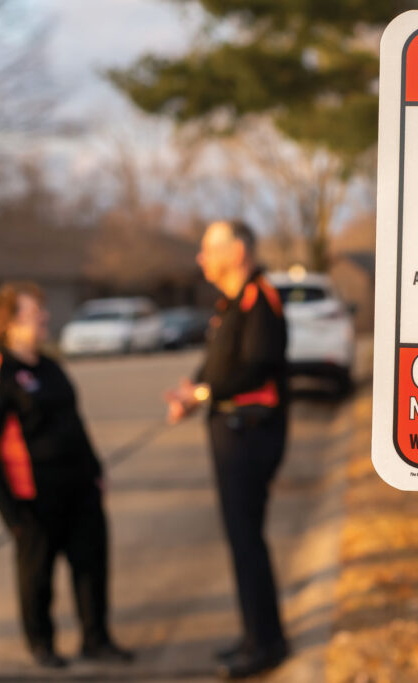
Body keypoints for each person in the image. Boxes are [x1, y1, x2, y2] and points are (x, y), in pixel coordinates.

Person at [0, 282, 132, 669]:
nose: (44, 319)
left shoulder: (50, 365)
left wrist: (96, 472)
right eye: (34, 314)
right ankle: (42, 644)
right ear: (8, 323)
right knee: (37, 576)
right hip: (33, 497)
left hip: (79, 488)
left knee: (91, 566)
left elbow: (75, 422)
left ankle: (97, 638)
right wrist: (11, 514)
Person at [164, 220, 290, 679]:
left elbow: (256, 366)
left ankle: (267, 645)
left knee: (247, 539)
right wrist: (193, 393)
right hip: (231, 431)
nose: (201, 259)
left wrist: (201, 394)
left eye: (209, 249)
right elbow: (219, 364)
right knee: (241, 541)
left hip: (250, 434)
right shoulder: (233, 303)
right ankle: (255, 634)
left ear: (238, 251)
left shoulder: (261, 298)